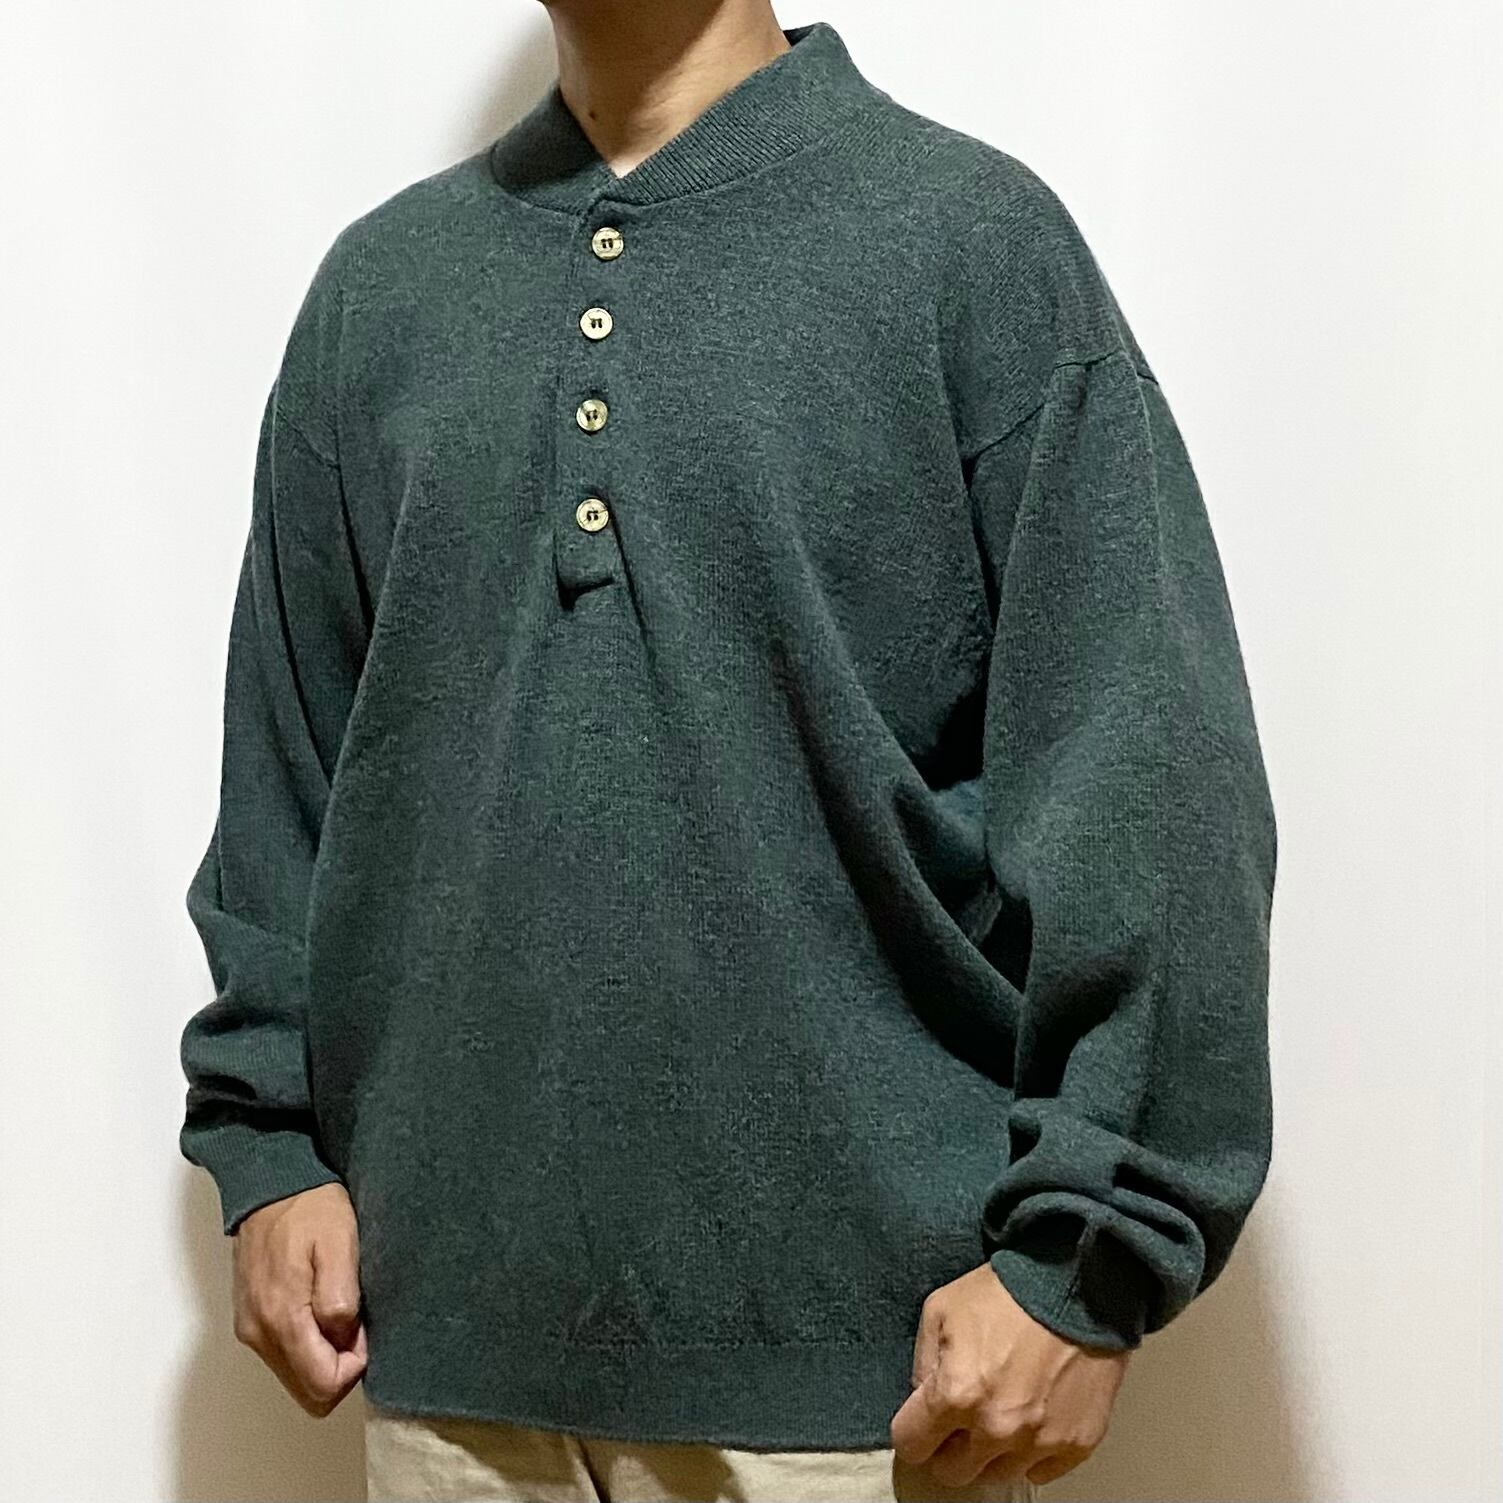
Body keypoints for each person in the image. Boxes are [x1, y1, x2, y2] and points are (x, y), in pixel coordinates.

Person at [176, 3, 1278, 1499]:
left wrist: (1088, 1256)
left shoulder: (974, 248)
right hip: (445, 1371)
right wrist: (271, 1152)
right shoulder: (380, 295)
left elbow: (1149, 773)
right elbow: (285, 779)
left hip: (873, 1390)